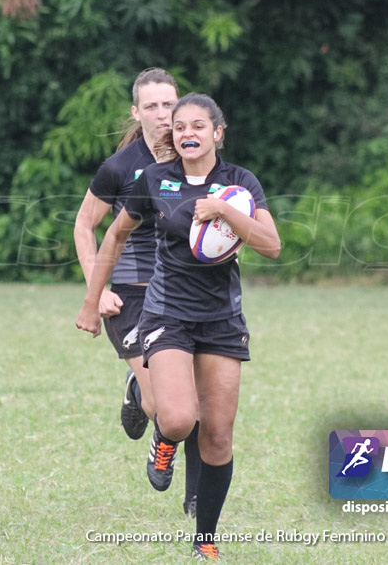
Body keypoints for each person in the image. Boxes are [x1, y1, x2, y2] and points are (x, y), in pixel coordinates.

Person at [76, 93, 281, 561]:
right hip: (166, 313)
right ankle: (163, 442)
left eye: (198, 126)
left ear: (217, 133)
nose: (187, 133)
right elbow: (115, 234)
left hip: (222, 321)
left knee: (218, 435)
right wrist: (93, 299)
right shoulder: (154, 179)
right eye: (180, 126)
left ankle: (205, 539)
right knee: (177, 417)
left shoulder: (240, 185)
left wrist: (226, 212)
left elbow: (271, 245)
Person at [73, 68, 201, 517]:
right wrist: (98, 289)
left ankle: (196, 497)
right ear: (137, 112)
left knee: (193, 402)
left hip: (187, 293)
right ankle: (138, 391)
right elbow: (85, 226)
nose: (163, 114)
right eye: (152, 106)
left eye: (169, 104)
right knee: (167, 408)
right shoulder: (120, 167)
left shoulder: (197, 156)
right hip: (132, 294)